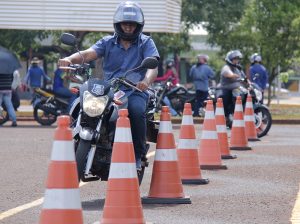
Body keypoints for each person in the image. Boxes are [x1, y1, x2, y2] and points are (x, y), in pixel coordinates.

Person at [58, 1, 160, 170]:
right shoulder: (107, 42)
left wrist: (146, 81)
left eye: (132, 25)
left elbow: (153, 67)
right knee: (82, 101)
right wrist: (69, 59)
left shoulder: (146, 42)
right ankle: (76, 139)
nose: (128, 28)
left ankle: (137, 154)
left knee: (135, 111)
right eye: (125, 24)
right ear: (118, 24)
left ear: (138, 26)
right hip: (110, 88)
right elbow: (88, 54)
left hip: (135, 90)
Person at [220, 50, 246, 118]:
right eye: (235, 59)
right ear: (230, 59)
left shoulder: (237, 68)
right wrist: (233, 75)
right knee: (228, 98)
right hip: (226, 87)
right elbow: (228, 73)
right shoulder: (226, 67)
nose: (236, 61)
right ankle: (227, 114)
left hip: (235, 87)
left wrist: (248, 82)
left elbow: (244, 77)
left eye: (237, 59)